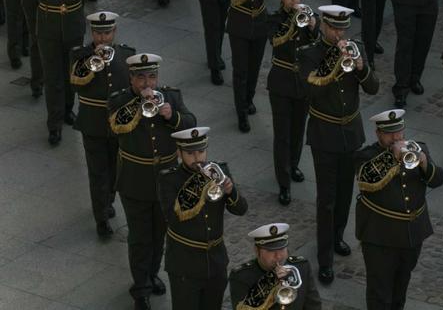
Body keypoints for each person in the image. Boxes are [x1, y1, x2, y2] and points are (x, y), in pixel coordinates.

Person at [298, 5, 380, 284]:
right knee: (327, 200)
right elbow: (309, 91)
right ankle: (324, 258)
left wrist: (361, 67)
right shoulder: (309, 53)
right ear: (322, 24)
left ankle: (337, 237)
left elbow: (373, 87)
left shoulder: (355, 48)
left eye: (342, 28)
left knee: (346, 193)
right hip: (325, 134)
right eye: (334, 28)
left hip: (351, 133)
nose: (338, 34)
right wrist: (335, 67)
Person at [108, 53, 196, 310]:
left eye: (152, 77)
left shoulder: (171, 97)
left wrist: (172, 116)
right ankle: (141, 288)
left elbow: (191, 124)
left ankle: (152, 273)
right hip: (135, 180)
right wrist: (140, 106)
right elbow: (115, 127)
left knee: (160, 234)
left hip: (167, 180)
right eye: (141, 78)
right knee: (139, 238)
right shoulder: (120, 101)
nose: (148, 84)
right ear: (131, 79)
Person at [354, 109, 443, 309]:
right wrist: (392, 159)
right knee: (380, 294)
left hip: (412, 234)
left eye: (399, 132)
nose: (396, 138)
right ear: (379, 133)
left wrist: (424, 162)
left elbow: (438, 179)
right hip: (380, 237)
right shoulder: (366, 156)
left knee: (400, 289)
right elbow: (366, 180)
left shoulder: (418, 148)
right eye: (389, 133)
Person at [157, 127, 248, 309]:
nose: (197, 158)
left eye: (201, 151)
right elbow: (173, 218)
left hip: (216, 261)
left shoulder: (219, 171)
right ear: (179, 153)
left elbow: (241, 209)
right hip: (185, 263)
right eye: (190, 153)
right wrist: (198, 185)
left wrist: (231, 191)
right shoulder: (169, 179)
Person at [26, 0, 100, 145]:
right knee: (53, 78)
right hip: (48, 28)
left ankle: (68, 110)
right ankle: (54, 124)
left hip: (73, 26)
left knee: (72, 74)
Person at [68, 12, 135, 239]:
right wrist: (91, 62)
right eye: (98, 33)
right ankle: (101, 218)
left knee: (116, 170)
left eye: (107, 33)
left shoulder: (127, 55)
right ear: (92, 33)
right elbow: (75, 85)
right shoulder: (80, 55)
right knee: (98, 173)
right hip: (92, 124)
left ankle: (108, 200)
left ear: (114, 32)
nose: (103, 38)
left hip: (119, 125)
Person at [268, 0, 318, 205]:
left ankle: (294, 164)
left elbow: (317, 47)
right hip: (281, 82)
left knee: (299, 130)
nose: (294, 1)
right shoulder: (275, 19)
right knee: (283, 135)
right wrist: (293, 24)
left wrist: (313, 27)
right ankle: (284, 182)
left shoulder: (309, 17)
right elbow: (276, 41)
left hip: (303, 82)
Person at [225, 0, 275, 132]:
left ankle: (248, 99)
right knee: (240, 71)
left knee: (254, 68)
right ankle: (241, 113)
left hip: (260, 23)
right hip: (239, 23)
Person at [229, 222, 322, 309]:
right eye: (271, 251)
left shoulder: (301, 266)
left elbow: (313, 305)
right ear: (257, 251)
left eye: (281, 249)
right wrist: (269, 280)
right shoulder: (241, 276)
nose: (278, 256)